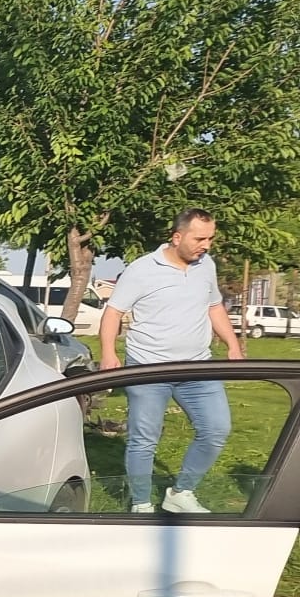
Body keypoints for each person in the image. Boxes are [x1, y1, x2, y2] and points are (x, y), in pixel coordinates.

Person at [98, 208, 243, 513]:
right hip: (149, 367)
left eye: (211, 238)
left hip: (197, 366)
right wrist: (109, 354)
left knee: (216, 429)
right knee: (144, 438)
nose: (206, 245)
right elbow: (113, 313)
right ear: (177, 237)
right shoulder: (141, 270)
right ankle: (140, 503)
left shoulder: (207, 265)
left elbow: (214, 307)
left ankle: (181, 492)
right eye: (200, 238)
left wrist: (232, 344)